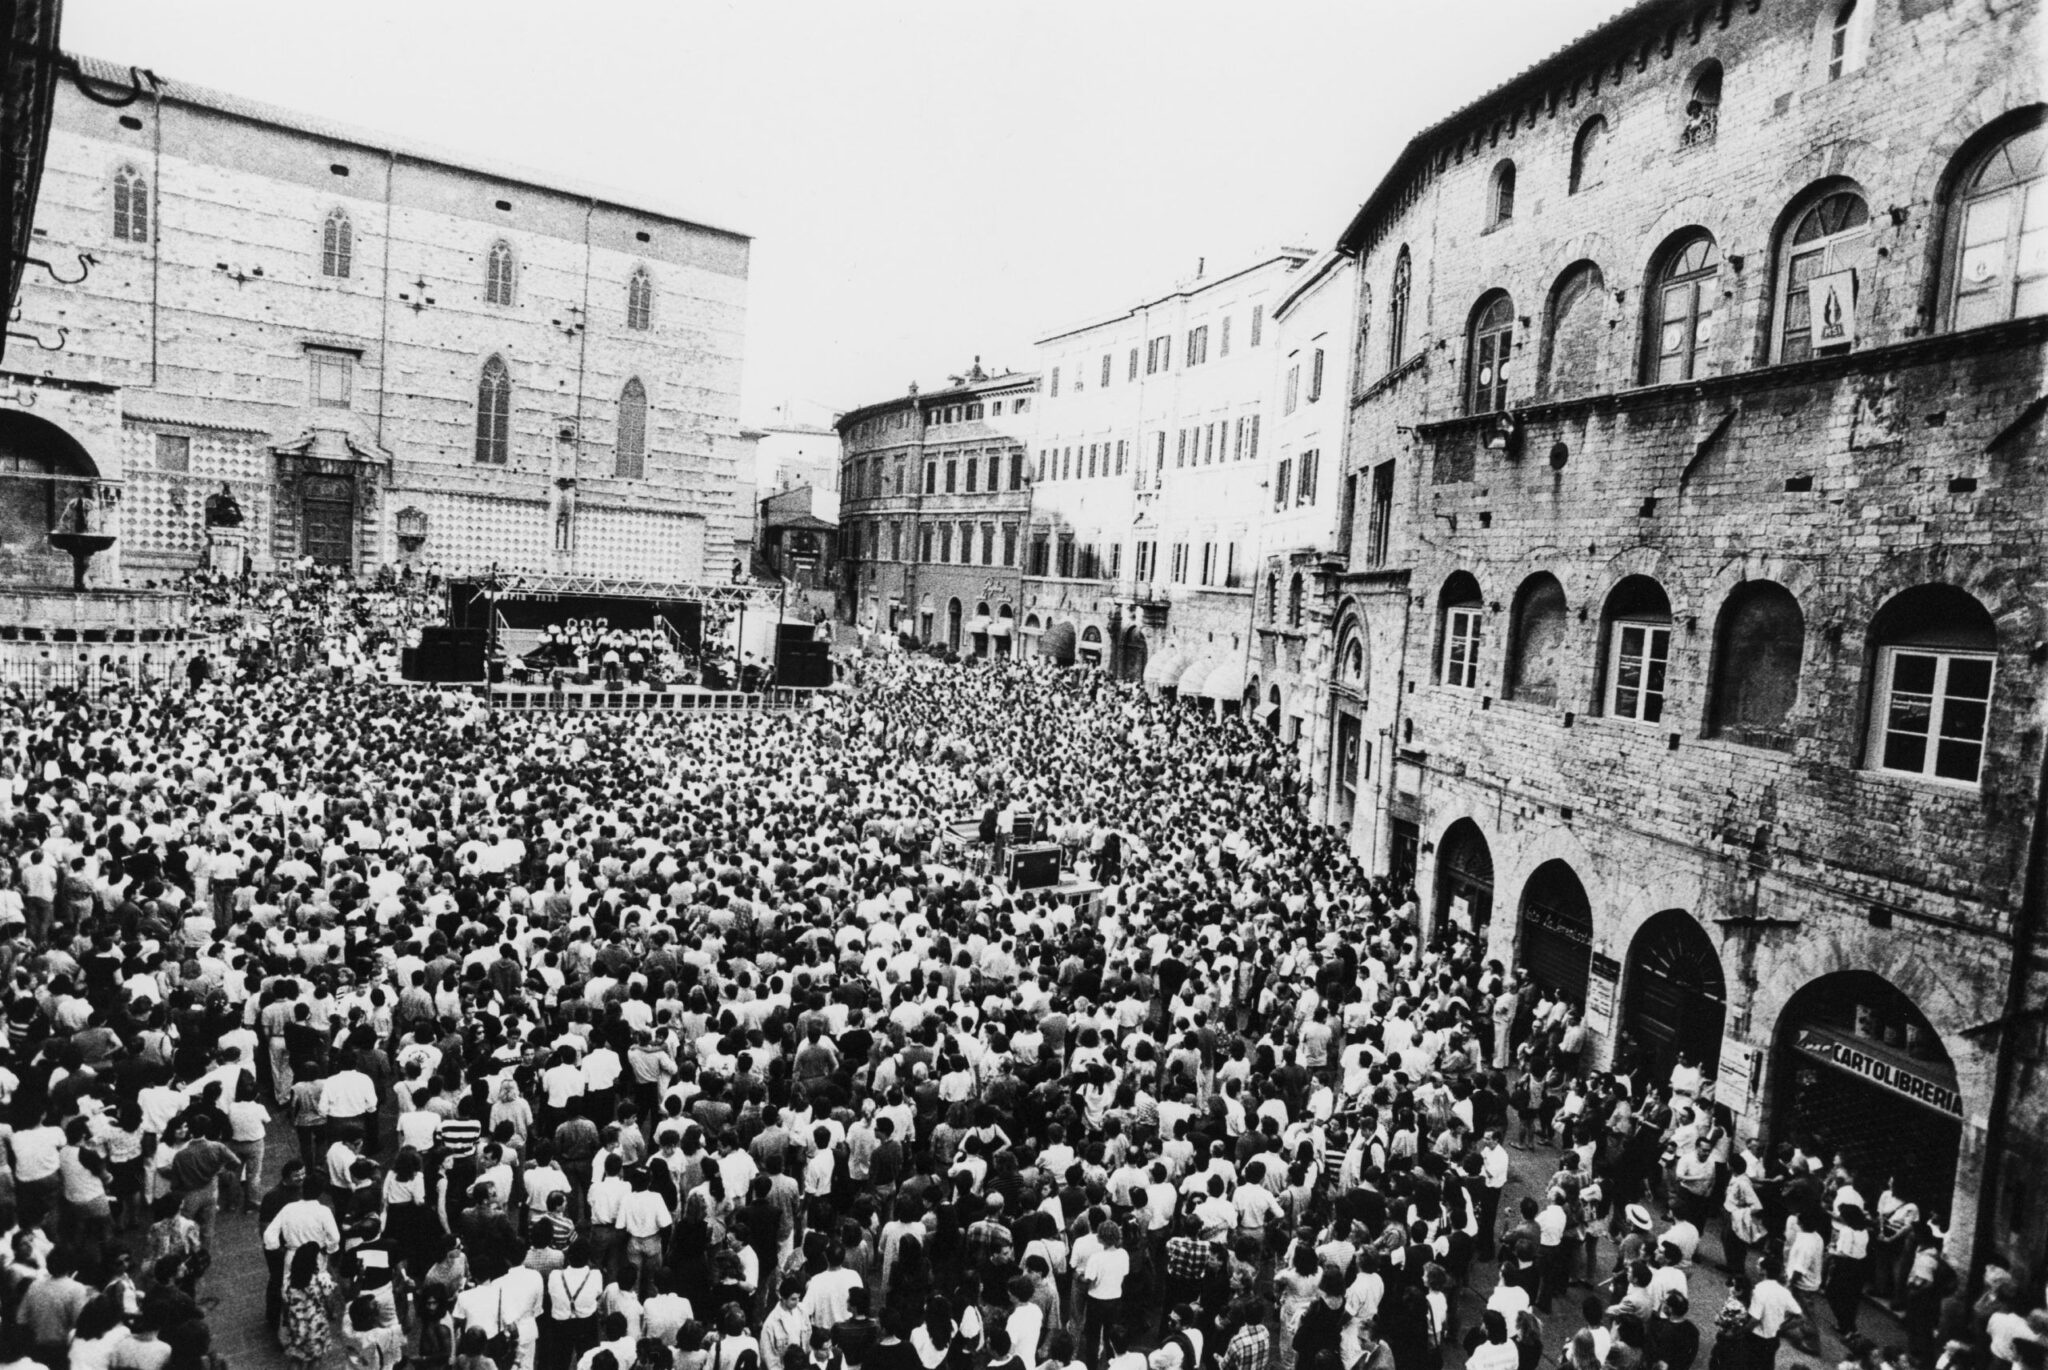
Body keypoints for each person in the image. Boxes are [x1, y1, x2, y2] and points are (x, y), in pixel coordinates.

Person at [280, 1243, 338, 1370]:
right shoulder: (321, 1280)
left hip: (296, 1324)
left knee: (296, 1358)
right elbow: (329, 1302)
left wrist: (285, 1323)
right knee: (315, 1359)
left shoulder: (288, 1281)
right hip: (316, 1325)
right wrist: (331, 1313)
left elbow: (285, 1303)